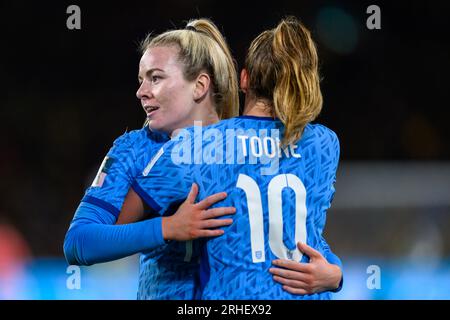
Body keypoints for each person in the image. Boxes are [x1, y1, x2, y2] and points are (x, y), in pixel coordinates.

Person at [125, 16, 343, 299]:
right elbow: (306, 230)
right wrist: (336, 273)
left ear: (244, 79)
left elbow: (112, 229)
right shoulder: (324, 144)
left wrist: (167, 227)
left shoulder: (199, 144)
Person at [64, 18, 240, 299]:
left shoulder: (249, 145)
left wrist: (329, 272)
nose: (141, 91)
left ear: (199, 86)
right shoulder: (132, 149)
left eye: (155, 78)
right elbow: (79, 243)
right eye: (141, 79)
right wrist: (168, 227)